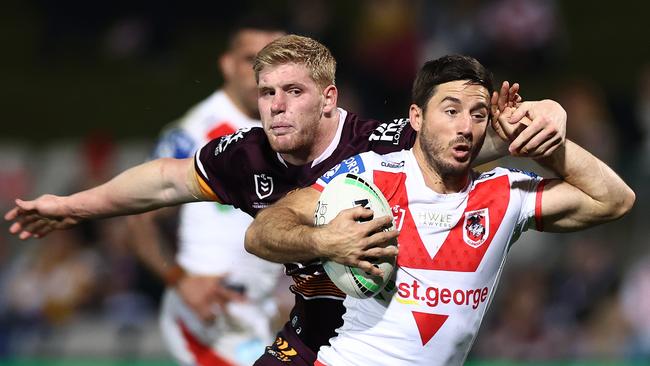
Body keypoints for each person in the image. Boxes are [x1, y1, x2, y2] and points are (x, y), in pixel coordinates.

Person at [5, 35, 568, 365]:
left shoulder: (386, 140)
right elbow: (163, 181)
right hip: (312, 333)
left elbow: (490, 135)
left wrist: (550, 113)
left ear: (327, 99)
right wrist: (73, 206)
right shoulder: (247, 155)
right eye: (266, 94)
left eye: (292, 92)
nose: (274, 107)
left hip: (394, 335)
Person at [243, 54, 636, 366]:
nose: (465, 126)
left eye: (478, 114)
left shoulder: (505, 193)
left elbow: (615, 200)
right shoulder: (371, 175)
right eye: (451, 111)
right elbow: (263, 230)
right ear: (416, 117)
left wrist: (546, 143)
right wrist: (323, 239)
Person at [125, 24, 285, 365]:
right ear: (227, 65)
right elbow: (139, 218)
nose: (263, 72)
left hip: (260, 310)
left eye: (276, 60)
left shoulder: (285, 131)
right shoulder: (194, 132)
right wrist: (179, 280)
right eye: (251, 59)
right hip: (209, 316)